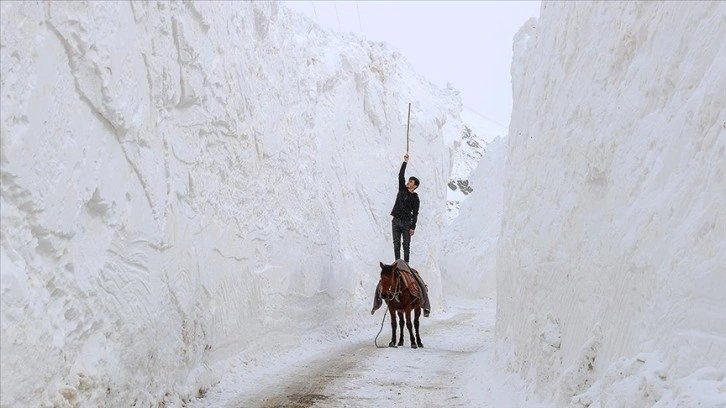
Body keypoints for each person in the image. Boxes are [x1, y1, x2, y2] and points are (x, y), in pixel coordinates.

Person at [390, 152, 419, 263]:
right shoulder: (402, 189)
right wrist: (405, 162)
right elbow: (400, 175)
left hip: (406, 223)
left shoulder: (415, 198)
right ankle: (397, 262)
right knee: (396, 243)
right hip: (396, 220)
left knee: (406, 245)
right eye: (408, 181)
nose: (408, 182)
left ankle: (406, 264)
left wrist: (413, 227)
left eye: (411, 181)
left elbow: (415, 213)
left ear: (415, 186)